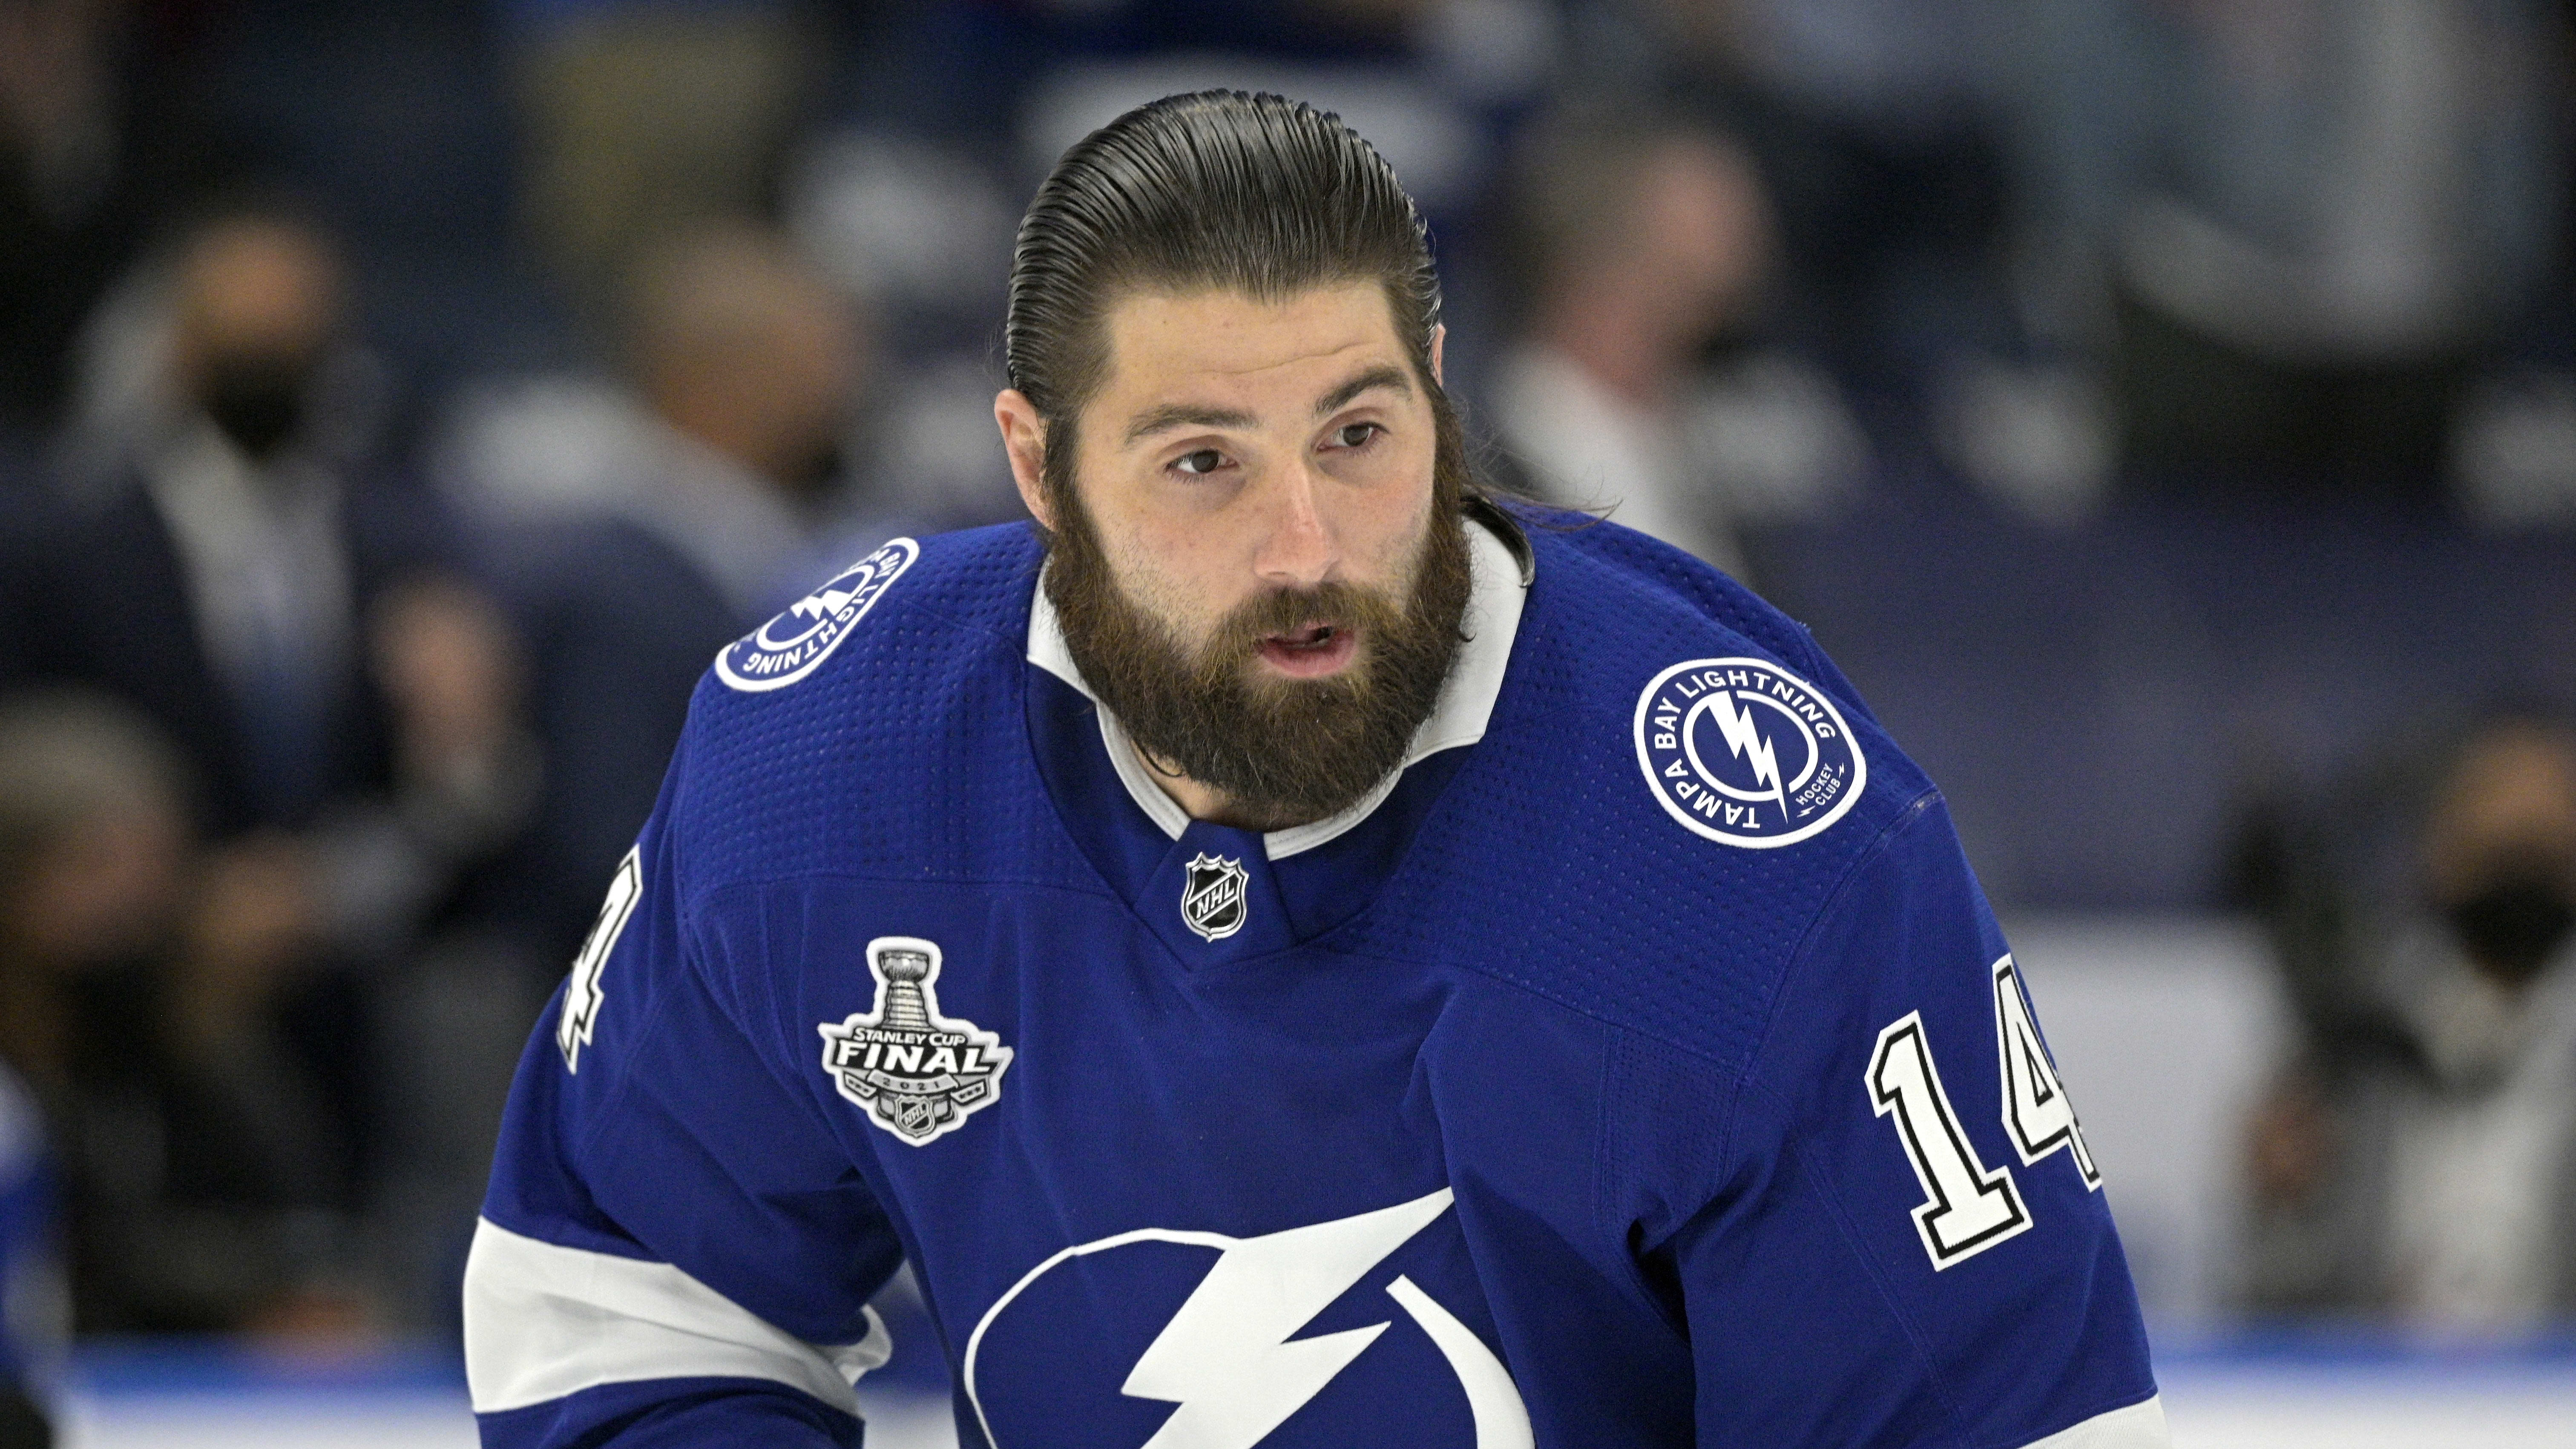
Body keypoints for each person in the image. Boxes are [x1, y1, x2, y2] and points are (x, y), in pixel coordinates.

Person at [464, 92, 2162, 1447]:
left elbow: (2002, 1420)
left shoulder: (1747, 838)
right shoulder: (832, 763)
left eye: (1357, 435)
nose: (1306, 546)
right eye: (1201, 458)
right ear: (1038, 467)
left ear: (1439, 390)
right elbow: (627, 1300)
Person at [2241, 712, 2576, 1327]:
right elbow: (2270, 1305)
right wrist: (2279, 1207)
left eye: (2543, 851)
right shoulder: (2354, 1042)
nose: (2519, 878)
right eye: (2500, 850)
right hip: (2382, 1406)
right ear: (2440, 851)